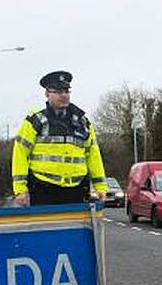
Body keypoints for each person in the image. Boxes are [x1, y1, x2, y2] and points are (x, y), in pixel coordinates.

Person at [12, 71, 108, 206]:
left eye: (66, 91)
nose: (63, 95)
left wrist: (100, 187)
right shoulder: (35, 121)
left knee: (77, 228)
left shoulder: (83, 123)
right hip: (43, 190)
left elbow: (93, 156)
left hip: (77, 190)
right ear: (47, 94)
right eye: (57, 91)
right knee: (47, 228)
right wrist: (20, 189)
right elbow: (20, 153)